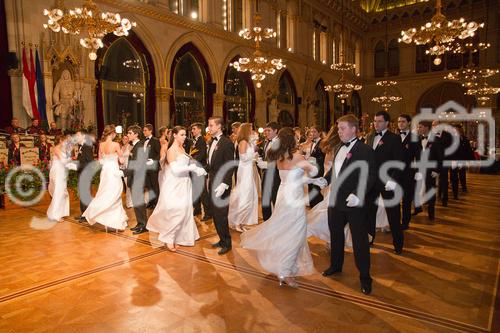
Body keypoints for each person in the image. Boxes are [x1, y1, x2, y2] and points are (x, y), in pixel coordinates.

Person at [241, 127, 316, 288]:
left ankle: (284, 266)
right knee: (295, 233)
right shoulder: (296, 156)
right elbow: (313, 171)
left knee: (284, 230)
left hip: (283, 195)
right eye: (296, 137)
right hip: (293, 198)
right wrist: (311, 164)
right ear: (292, 140)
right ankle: (285, 272)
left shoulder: (280, 156)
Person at [317, 114, 376, 295]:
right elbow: (336, 171)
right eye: (339, 128)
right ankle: (336, 265)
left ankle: (365, 277)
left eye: (342, 128)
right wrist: (325, 180)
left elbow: (370, 176)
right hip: (335, 199)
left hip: (354, 202)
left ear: (353, 129)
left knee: (359, 240)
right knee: (335, 235)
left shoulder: (365, 150)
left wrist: (358, 195)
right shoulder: (339, 148)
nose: (339, 132)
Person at [147, 126, 206, 251]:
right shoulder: (172, 150)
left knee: (185, 211)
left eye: (185, 135)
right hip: (175, 184)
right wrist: (192, 168)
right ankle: (168, 238)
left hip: (184, 183)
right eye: (182, 134)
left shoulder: (182, 148)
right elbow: (175, 169)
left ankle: (178, 237)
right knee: (177, 212)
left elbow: (185, 163)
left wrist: (196, 167)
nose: (185, 137)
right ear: (174, 135)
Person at [307, 125, 352, 248]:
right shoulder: (338, 148)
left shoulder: (329, 147)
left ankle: (332, 239)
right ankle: (332, 239)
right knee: (333, 212)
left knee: (332, 211)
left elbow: (328, 167)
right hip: (333, 182)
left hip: (330, 182)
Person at [365, 111, 405, 254]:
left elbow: (400, 161)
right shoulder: (369, 137)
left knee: (393, 214)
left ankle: (398, 244)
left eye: (379, 121)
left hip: (388, 181)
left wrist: (393, 180)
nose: (376, 124)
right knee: (369, 212)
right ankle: (369, 238)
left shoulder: (394, 138)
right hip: (371, 181)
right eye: (374, 121)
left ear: (387, 123)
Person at [83, 125, 128, 231]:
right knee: (115, 194)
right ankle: (114, 221)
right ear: (112, 134)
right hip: (113, 171)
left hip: (105, 171)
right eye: (115, 134)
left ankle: (105, 218)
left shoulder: (101, 144)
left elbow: (100, 160)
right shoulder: (116, 144)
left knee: (104, 192)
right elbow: (121, 161)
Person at [206, 116, 235, 255]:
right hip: (212, 182)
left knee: (222, 214)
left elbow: (230, 166)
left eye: (211, 125)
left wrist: (225, 183)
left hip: (222, 184)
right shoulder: (211, 141)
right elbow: (211, 164)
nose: (209, 128)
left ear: (219, 126)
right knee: (216, 214)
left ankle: (227, 243)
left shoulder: (226, 143)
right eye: (209, 125)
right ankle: (222, 240)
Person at [228, 123, 260, 232]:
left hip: (248, 170)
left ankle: (242, 221)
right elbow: (243, 157)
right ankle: (238, 222)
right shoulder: (243, 142)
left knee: (249, 195)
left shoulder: (248, 142)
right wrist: (254, 155)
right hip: (244, 170)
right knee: (244, 196)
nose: (252, 131)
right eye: (251, 129)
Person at [413, 121, 444, 221]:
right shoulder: (418, 139)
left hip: (431, 169)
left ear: (427, 128)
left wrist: (437, 170)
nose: (418, 129)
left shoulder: (436, 139)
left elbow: (440, 156)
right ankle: (418, 208)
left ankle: (431, 213)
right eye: (418, 127)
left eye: (420, 127)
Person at [126, 125, 149, 235]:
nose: (128, 135)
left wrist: (124, 172)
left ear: (136, 134)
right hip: (134, 177)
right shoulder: (135, 146)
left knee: (139, 203)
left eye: (130, 133)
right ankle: (140, 223)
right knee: (136, 203)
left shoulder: (139, 146)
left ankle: (143, 225)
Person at [398, 114, 419, 230]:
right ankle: (395, 221)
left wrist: (418, 171)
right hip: (395, 173)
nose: (400, 123)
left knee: (406, 200)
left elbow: (419, 156)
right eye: (399, 121)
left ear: (409, 123)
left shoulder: (414, 137)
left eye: (403, 121)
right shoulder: (395, 137)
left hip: (408, 173)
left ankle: (405, 222)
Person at [257, 122, 281, 221]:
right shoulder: (266, 142)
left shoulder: (280, 143)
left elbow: (281, 160)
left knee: (275, 199)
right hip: (266, 174)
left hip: (276, 175)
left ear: (276, 131)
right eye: (265, 130)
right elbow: (266, 156)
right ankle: (267, 221)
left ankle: (277, 221)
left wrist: (267, 165)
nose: (266, 133)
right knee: (265, 200)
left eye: (268, 130)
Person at [47, 135, 72, 221]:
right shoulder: (56, 148)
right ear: (61, 140)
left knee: (63, 191)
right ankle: (56, 215)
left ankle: (62, 212)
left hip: (61, 171)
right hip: (57, 171)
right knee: (59, 192)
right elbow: (63, 160)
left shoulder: (63, 149)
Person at [190, 122, 210, 219]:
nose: (192, 131)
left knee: (202, 192)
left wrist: (193, 161)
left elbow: (202, 154)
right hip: (195, 168)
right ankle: (197, 209)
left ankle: (208, 213)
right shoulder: (195, 140)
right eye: (192, 129)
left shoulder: (201, 140)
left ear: (199, 130)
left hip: (199, 168)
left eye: (194, 129)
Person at [74, 130, 94, 222]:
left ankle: (87, 215)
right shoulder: (81, 146)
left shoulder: (87, 146)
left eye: (77, 135)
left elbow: (90, 162)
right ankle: (83, 214)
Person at [143, 124, 161, 209]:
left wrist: (153, 161)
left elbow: (159, 154)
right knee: (148, 185)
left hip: (153, 167)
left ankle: (157, 202)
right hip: (145, 167)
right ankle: (151, 202)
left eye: (145, 130)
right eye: (144, 130)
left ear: (150, 131)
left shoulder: (155, 140)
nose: (144, 132)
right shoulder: (143, 141)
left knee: (154, 185)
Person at [307, 126, 325, 208]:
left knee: (316, 193)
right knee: (310, 192)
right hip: (311, 171)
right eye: (311, 131)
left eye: (314, 131)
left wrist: (313, 159)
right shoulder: (312, 143)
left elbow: (323, 157)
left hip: (318, 171)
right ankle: (312, 209)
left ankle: (316, 210)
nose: (312, 133)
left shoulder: (322, 142)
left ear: (319, 133)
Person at [119, 135, 133, 208]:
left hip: (127, 168)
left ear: (128, 140)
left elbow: (134, 155)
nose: (124, 139)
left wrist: (130, 154)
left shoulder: (130, 147)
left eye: (126, 138)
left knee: (128, 185)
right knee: (119, 186)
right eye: (123, 138)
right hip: (120, 168)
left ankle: (129, 203)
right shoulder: (120, 147)